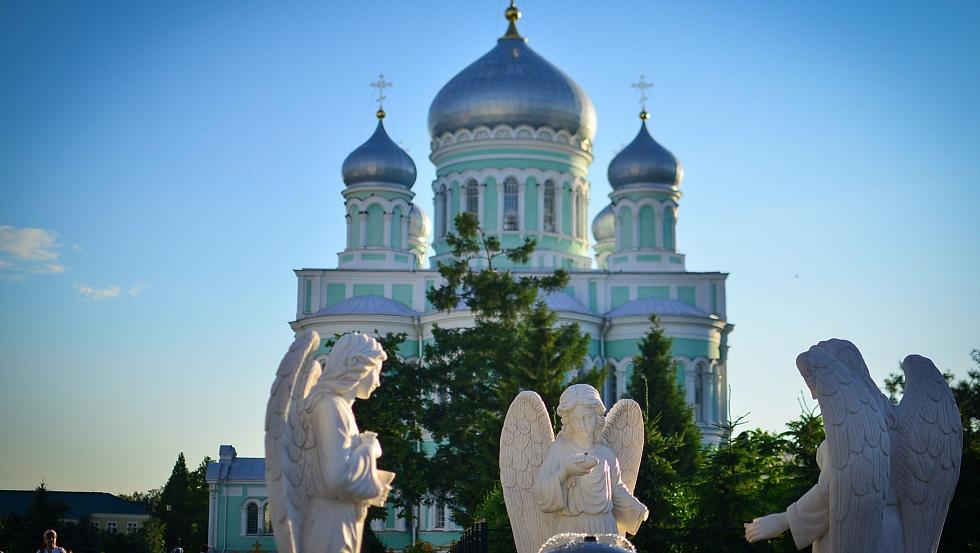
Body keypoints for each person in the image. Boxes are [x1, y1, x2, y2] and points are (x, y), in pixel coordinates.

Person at [299, 332, 394, 553]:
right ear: (356, 365)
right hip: (330, 523)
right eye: (376, 372)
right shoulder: (331, 407)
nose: (378, 382)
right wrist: (369, 449)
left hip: (339, 518)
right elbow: (337, 479)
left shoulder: (338, 408)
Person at [532, 384, 648, 536]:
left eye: (587, 417)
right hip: (571, 527)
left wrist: (638, 510)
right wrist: (565, 473)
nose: (582, 424)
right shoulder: (559, 450)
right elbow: (540, 491)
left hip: (604, 526)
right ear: (567, 420)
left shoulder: (606, 453)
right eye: (576, 419)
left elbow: (617, 490)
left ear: (597, 416)